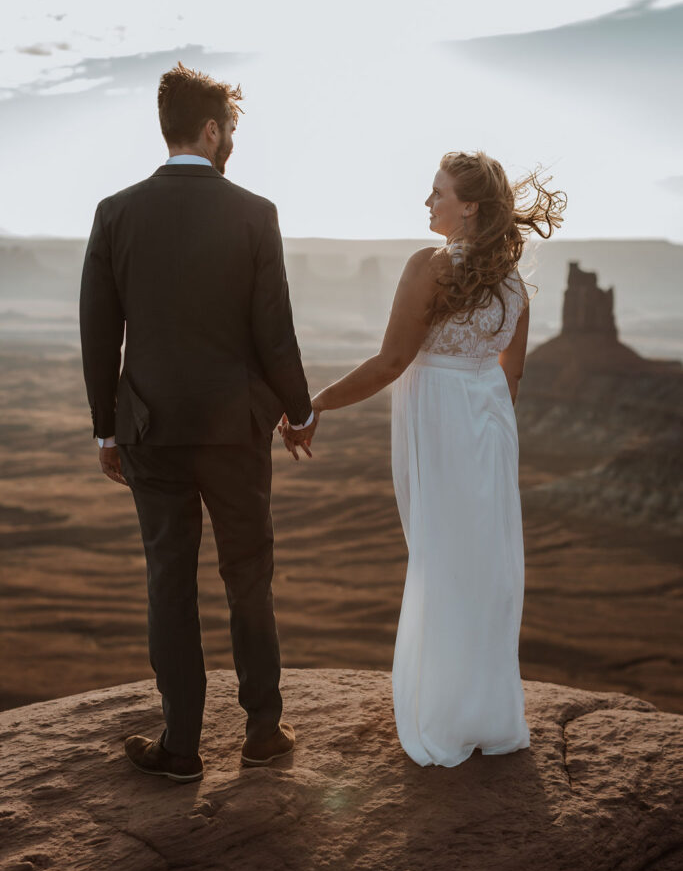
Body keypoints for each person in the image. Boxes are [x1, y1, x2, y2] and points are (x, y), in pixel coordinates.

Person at [282, 151, 566, 766]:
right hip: (488, 423)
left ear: (470, 205)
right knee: (484, 564)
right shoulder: (514, 282)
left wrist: (317, 404)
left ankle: (442, 716)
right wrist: (482, 423)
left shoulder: (430, 265)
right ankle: (487, 714)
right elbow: (510, 376)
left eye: (437, 193)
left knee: (440, 558)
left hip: (439, 418)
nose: (427, 203)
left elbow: (391, 362)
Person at [79, 61, 317, 783]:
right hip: (235, 430)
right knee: (249, 576)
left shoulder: (115, 212)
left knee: (168, 580)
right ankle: (262, 731)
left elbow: (99, 332)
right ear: (211, 130)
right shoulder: (254, 212)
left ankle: (180, 746)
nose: (231, 141)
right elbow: (273, 330)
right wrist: (299, 411)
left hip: (149, 428)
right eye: (231, 129)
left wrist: (106, 430)